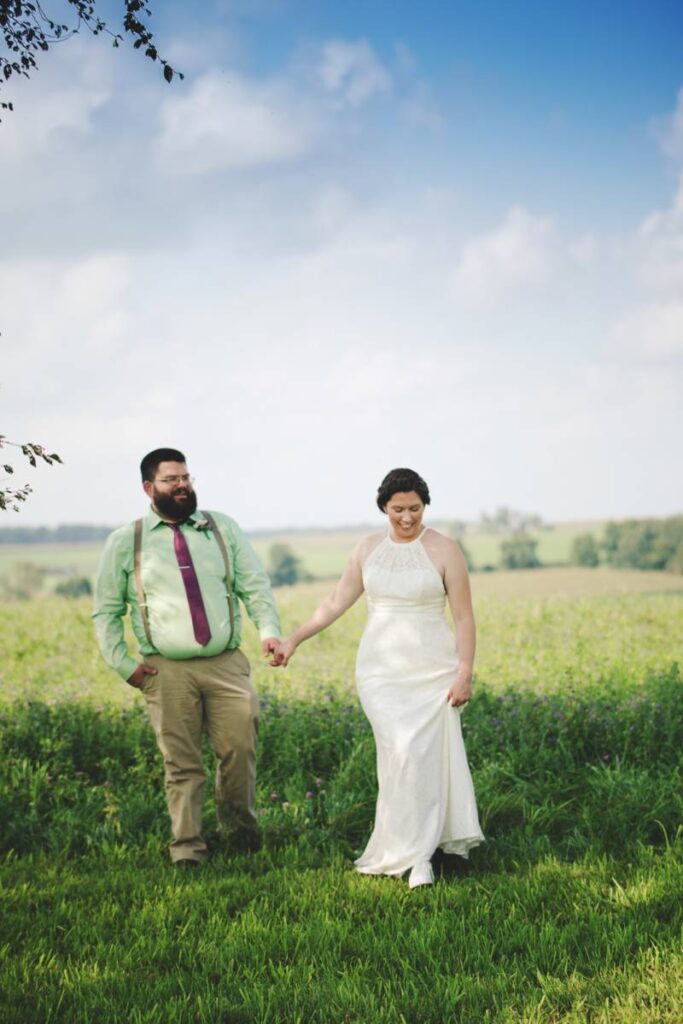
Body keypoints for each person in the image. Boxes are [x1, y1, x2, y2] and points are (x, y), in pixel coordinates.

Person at [277, 468, 484, 888]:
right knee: (400, 753)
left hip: (433, 669)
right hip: (381, 672)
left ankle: (426, 852)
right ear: (383, 508)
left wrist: (464, 672)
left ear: (424, 505)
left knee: (427, 756)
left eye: (415, 508)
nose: (406, 518)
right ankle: (405, 847)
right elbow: (336, 601)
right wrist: (294, 639)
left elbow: (463, 616)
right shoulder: (367, 548)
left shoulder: (445, 549)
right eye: (397, 510)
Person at [93, 447, 282, 866]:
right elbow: (106, 612)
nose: (182, 486)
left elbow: (254, 585)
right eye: (170, 480)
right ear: (148, 487)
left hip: (226, 663)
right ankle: (188, 848)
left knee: (239, 749)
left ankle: (240, 834)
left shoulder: (220, 528)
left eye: (186, 477)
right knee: (182, 764)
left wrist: (268, 631)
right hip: (167, 670)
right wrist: (125, 666)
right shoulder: (128, 541)